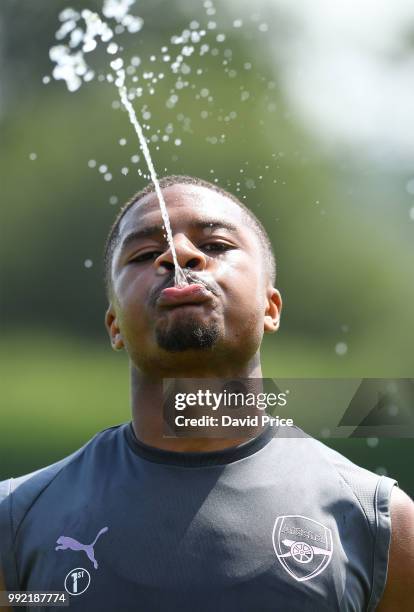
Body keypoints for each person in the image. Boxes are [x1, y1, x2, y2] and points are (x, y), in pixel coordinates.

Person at [0, 175, 413, 611]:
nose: (178, 254)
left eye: (215, 246)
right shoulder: (15, 518)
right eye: (144, 254)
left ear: (270, 308)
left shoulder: (381, 523)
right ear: (114, 325)